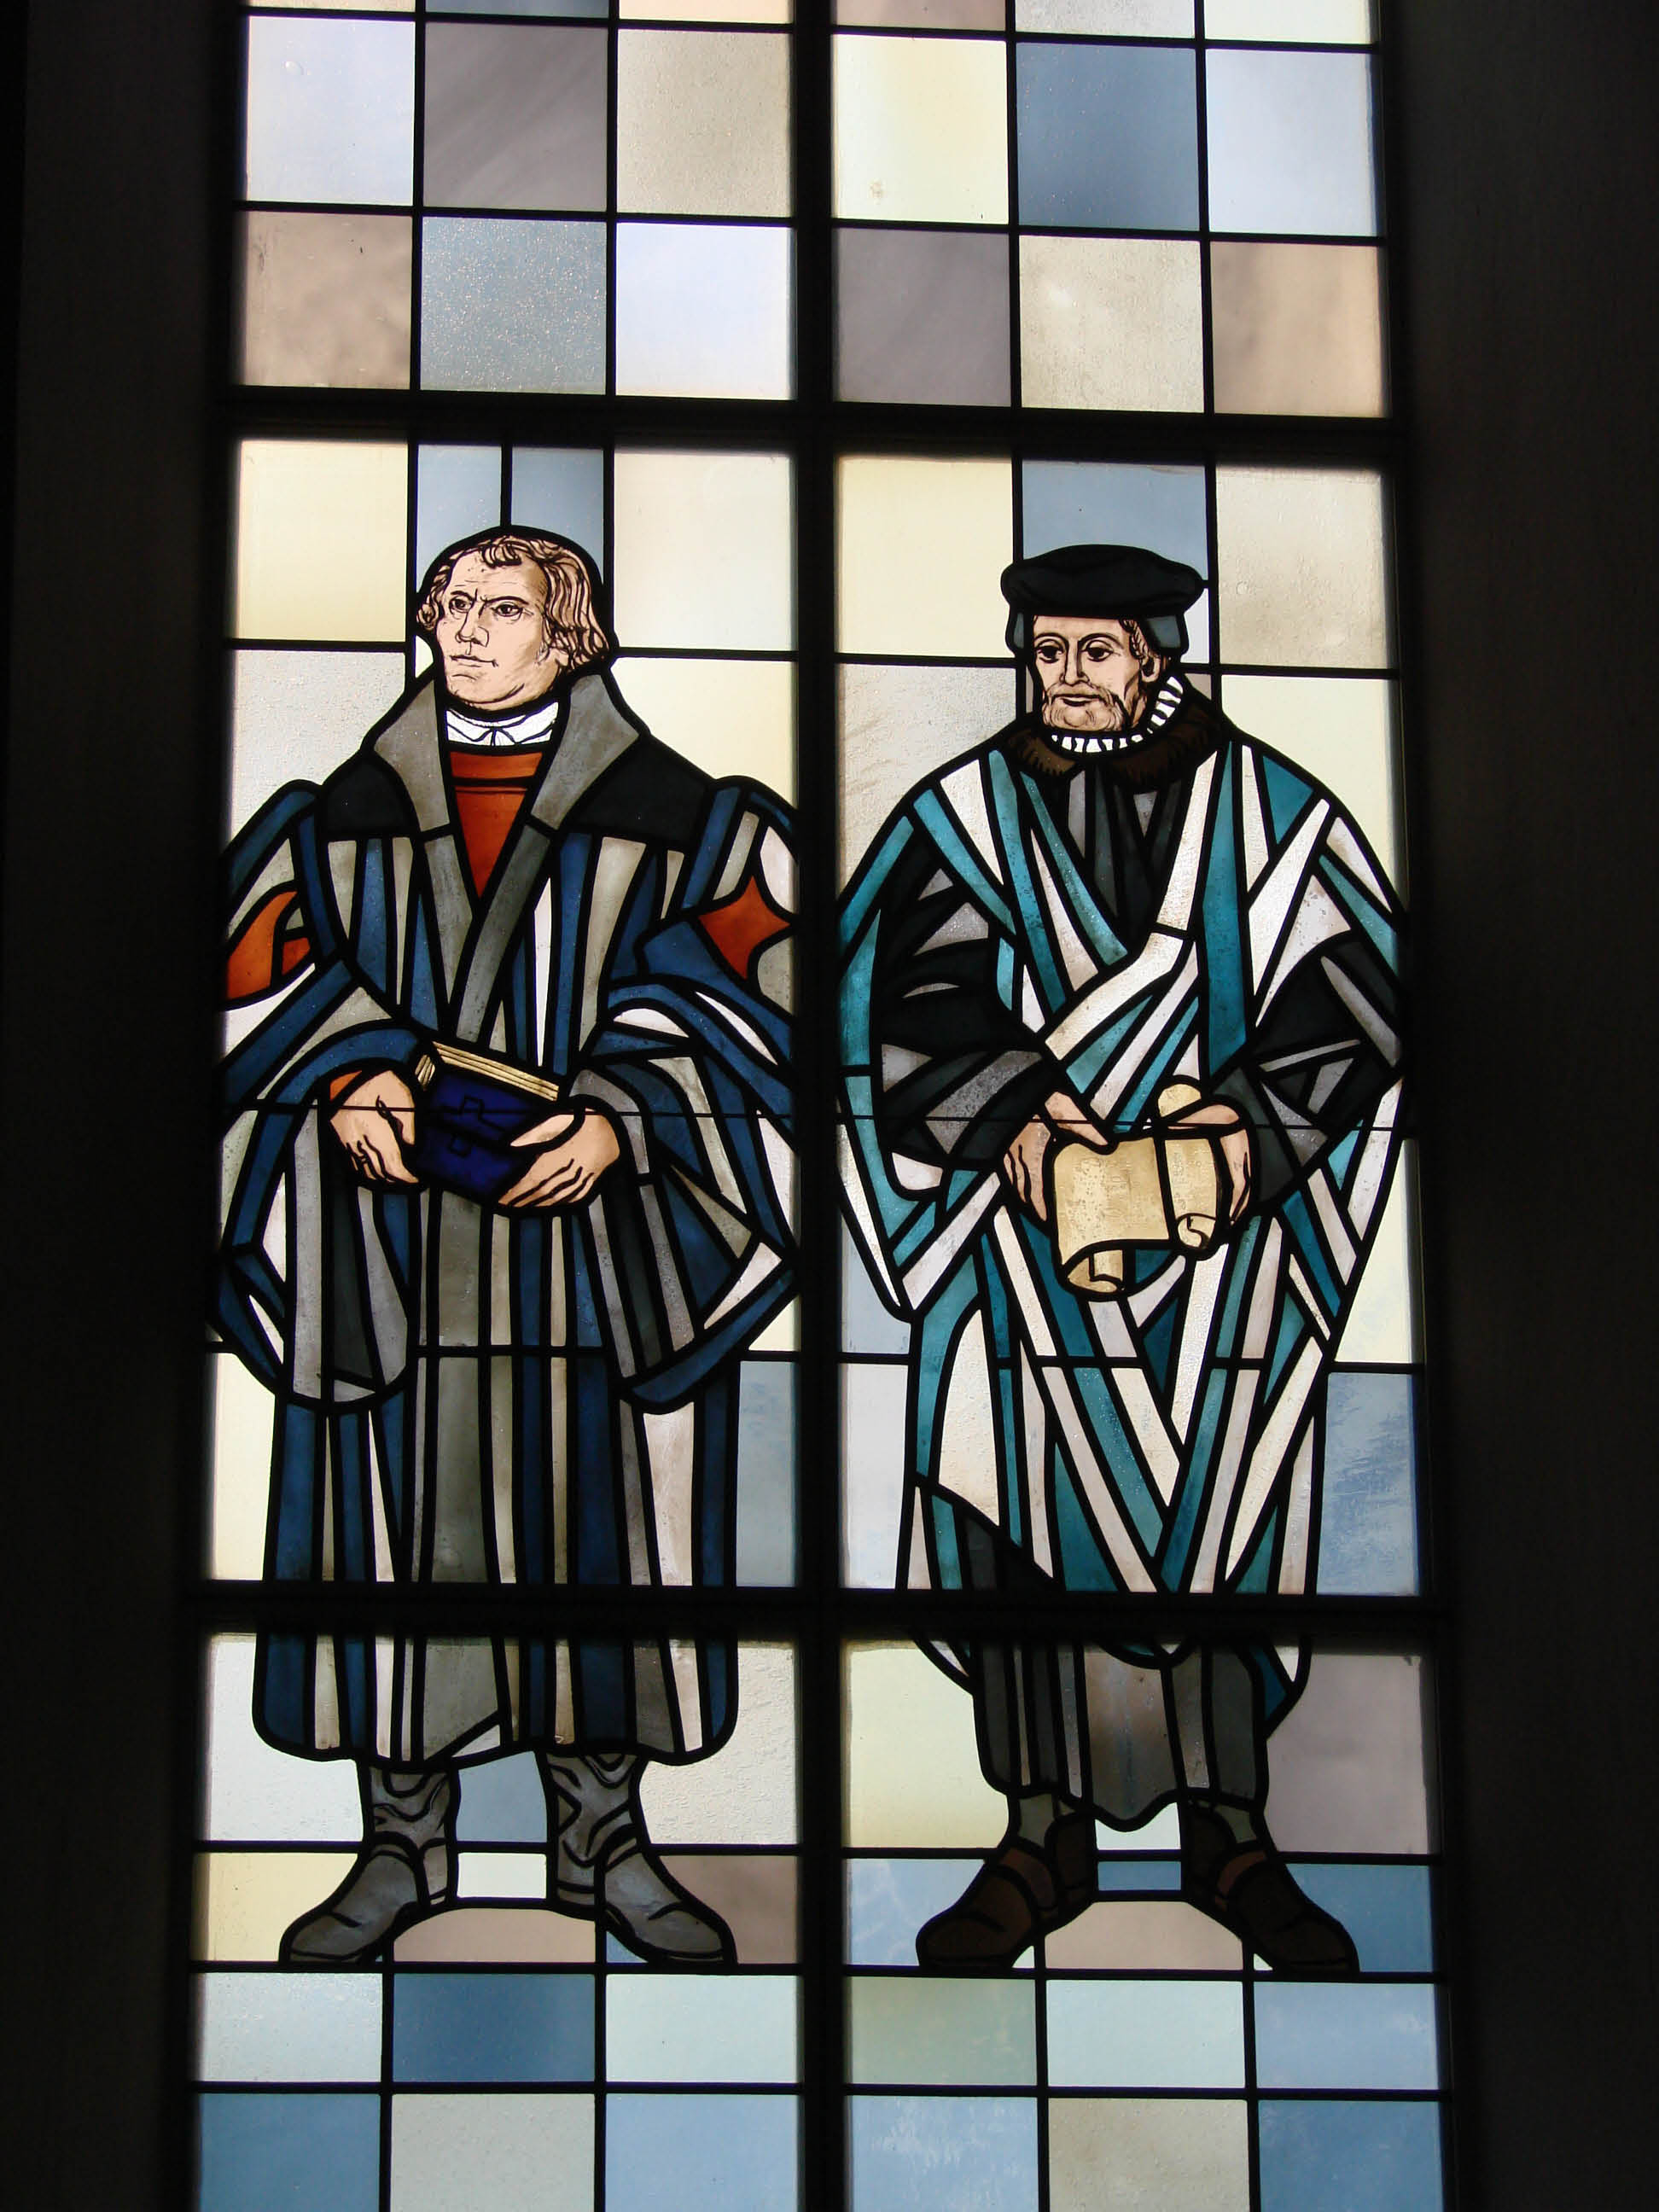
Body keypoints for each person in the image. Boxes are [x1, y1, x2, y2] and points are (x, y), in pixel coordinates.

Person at [219, 528, 796, 1965]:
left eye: (501, 608)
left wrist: (626, 1115)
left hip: (597, 1259)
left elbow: (771, 1006)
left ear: (573, 635)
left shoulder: (690, 821)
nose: (464, 630)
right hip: (389, 1252)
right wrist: (347, 1069)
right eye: (449, 605)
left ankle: (603, 1841)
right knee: (390, 1543)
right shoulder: (334, 819)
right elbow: (242, 983)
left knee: (602, 1537)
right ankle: (398, 1841)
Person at [840, 544, 1404, 1973]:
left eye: (1094, 651)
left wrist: (1239, 1138)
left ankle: (1233, 1834)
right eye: (1045, 652)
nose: (1065, 678)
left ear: (1159, 656)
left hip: (1227, 1260)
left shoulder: (1273, 815)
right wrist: (1027, 1124)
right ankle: (1039, 1836)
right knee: (1018, 1523)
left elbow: (1358, 990)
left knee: (1227, 1525)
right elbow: (904, 999)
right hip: (1025, 1245)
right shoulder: (965, 815)